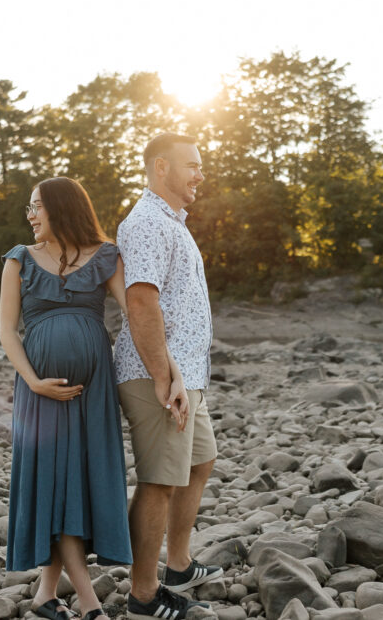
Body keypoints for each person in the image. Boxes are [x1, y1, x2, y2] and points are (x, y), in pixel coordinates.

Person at [0, 176, 168, 620]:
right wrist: (34, 382)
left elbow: (137, 314)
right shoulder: (19, 260)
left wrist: (163, 373)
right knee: (55, 484)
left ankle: (44, 596)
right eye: (28, 208)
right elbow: (6, 332)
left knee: (74, 485)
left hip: (92, 393)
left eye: (36, 205)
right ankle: (89, 602)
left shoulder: (107, 256)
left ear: (61, 207)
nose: (30, 215)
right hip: (40, 395)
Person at [114, 134, 222, 620]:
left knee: (201, 462)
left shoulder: (171, 222)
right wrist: (162, 375)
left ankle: (177, 565)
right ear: (162, 167)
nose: (200, 174)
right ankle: (143, 595)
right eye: (192, 166)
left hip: (187, 376)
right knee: (159, 481)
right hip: (158, 376)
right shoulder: (145, 223)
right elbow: (140, 300)